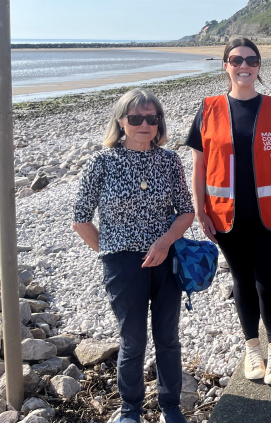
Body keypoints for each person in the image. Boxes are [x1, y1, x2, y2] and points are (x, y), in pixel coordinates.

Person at [72, 89, 194, 423]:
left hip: (166, 260)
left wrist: (164, 242)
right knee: (133, 339)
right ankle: (130, 410)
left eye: (151, 118)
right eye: (136, 118)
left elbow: (186, 211)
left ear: (159, 123)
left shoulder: (169, 160)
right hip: (123, 266)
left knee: (167, 337)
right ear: (121, 121)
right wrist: (112, 252)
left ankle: (170, 405)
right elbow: (80, 218)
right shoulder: (102, 161)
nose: (144, 124)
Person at [187, 37, 271, 385]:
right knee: (242, 283)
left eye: (250, 60)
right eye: (236, 60)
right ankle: (253, 350)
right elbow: (199, 167)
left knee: (269, 283)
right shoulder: (208, 109)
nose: (243, 66)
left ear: (258, 66)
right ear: (226, 66)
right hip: (225, 218)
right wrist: (199, 211)